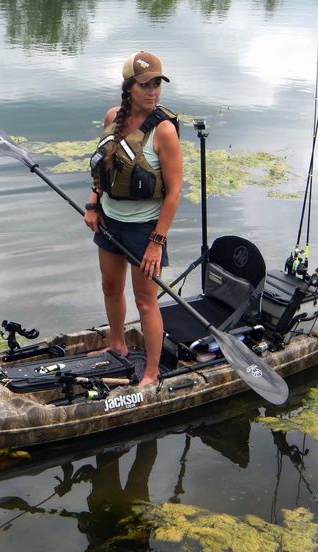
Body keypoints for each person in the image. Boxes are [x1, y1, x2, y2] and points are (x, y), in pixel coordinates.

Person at [84, 51, 183, 387]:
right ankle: (118, 344)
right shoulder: (113, 117)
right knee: (110, 286)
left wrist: (156, 243)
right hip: (111, 220)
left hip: (145, 230)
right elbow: (104, 168)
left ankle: (152, 374)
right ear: (129, 87)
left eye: (157, 84)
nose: (152, 91)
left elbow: (173, 192)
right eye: (144, 85)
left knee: (145, 299)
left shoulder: (164, 131)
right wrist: (93, 204)